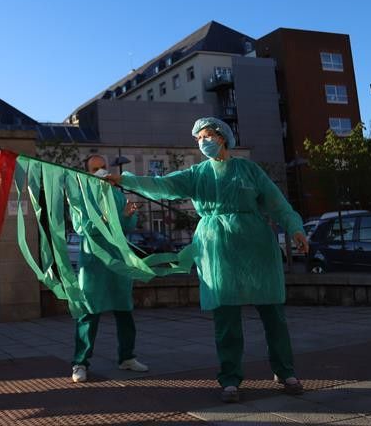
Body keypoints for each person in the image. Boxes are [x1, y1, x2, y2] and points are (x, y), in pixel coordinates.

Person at [106, 117, 309, 403]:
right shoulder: (197, 175)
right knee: (226, 318)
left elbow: (278, 204)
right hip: (218, 252)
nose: (203, 142)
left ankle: (285, 370)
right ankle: (230, 379)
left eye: (206, 136)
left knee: (272, 314)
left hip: (256, 249)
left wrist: (296, 229)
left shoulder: (249, 170)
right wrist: (124, 179)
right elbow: (161, 185)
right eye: (198, 139)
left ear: (222, 137)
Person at [70, 154, 148, 383]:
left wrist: (128, 215)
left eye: (104, 167)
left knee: (124, 308)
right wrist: (105, 218)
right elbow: (81, 227)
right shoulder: (80, 195)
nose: (101, 172)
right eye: (95, 169)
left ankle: (127, 357)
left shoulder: (116, 193)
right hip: (93, 259)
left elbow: (124, 227)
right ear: (86, 173)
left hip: (118, 257)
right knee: (89, 311)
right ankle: (80, 362)